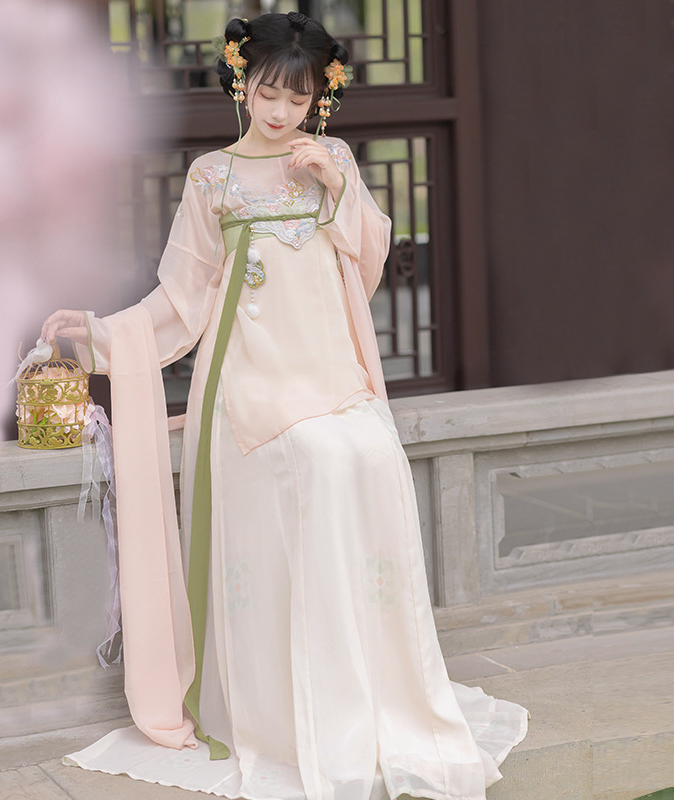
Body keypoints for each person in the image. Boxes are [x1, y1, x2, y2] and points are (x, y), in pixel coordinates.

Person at [42, 11, 530, 800]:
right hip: (251, 380)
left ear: (318, 99)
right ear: (242, 83)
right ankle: (285, 707)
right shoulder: (213, 176)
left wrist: (337, 191)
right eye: (268, 93)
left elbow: (368, 256)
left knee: (369, 450)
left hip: (329, 369)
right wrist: (100, 334)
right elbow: (181, 299)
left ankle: (365, 687)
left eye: (297, 98)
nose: (279, 111)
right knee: (320, 457)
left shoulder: (331, 160)